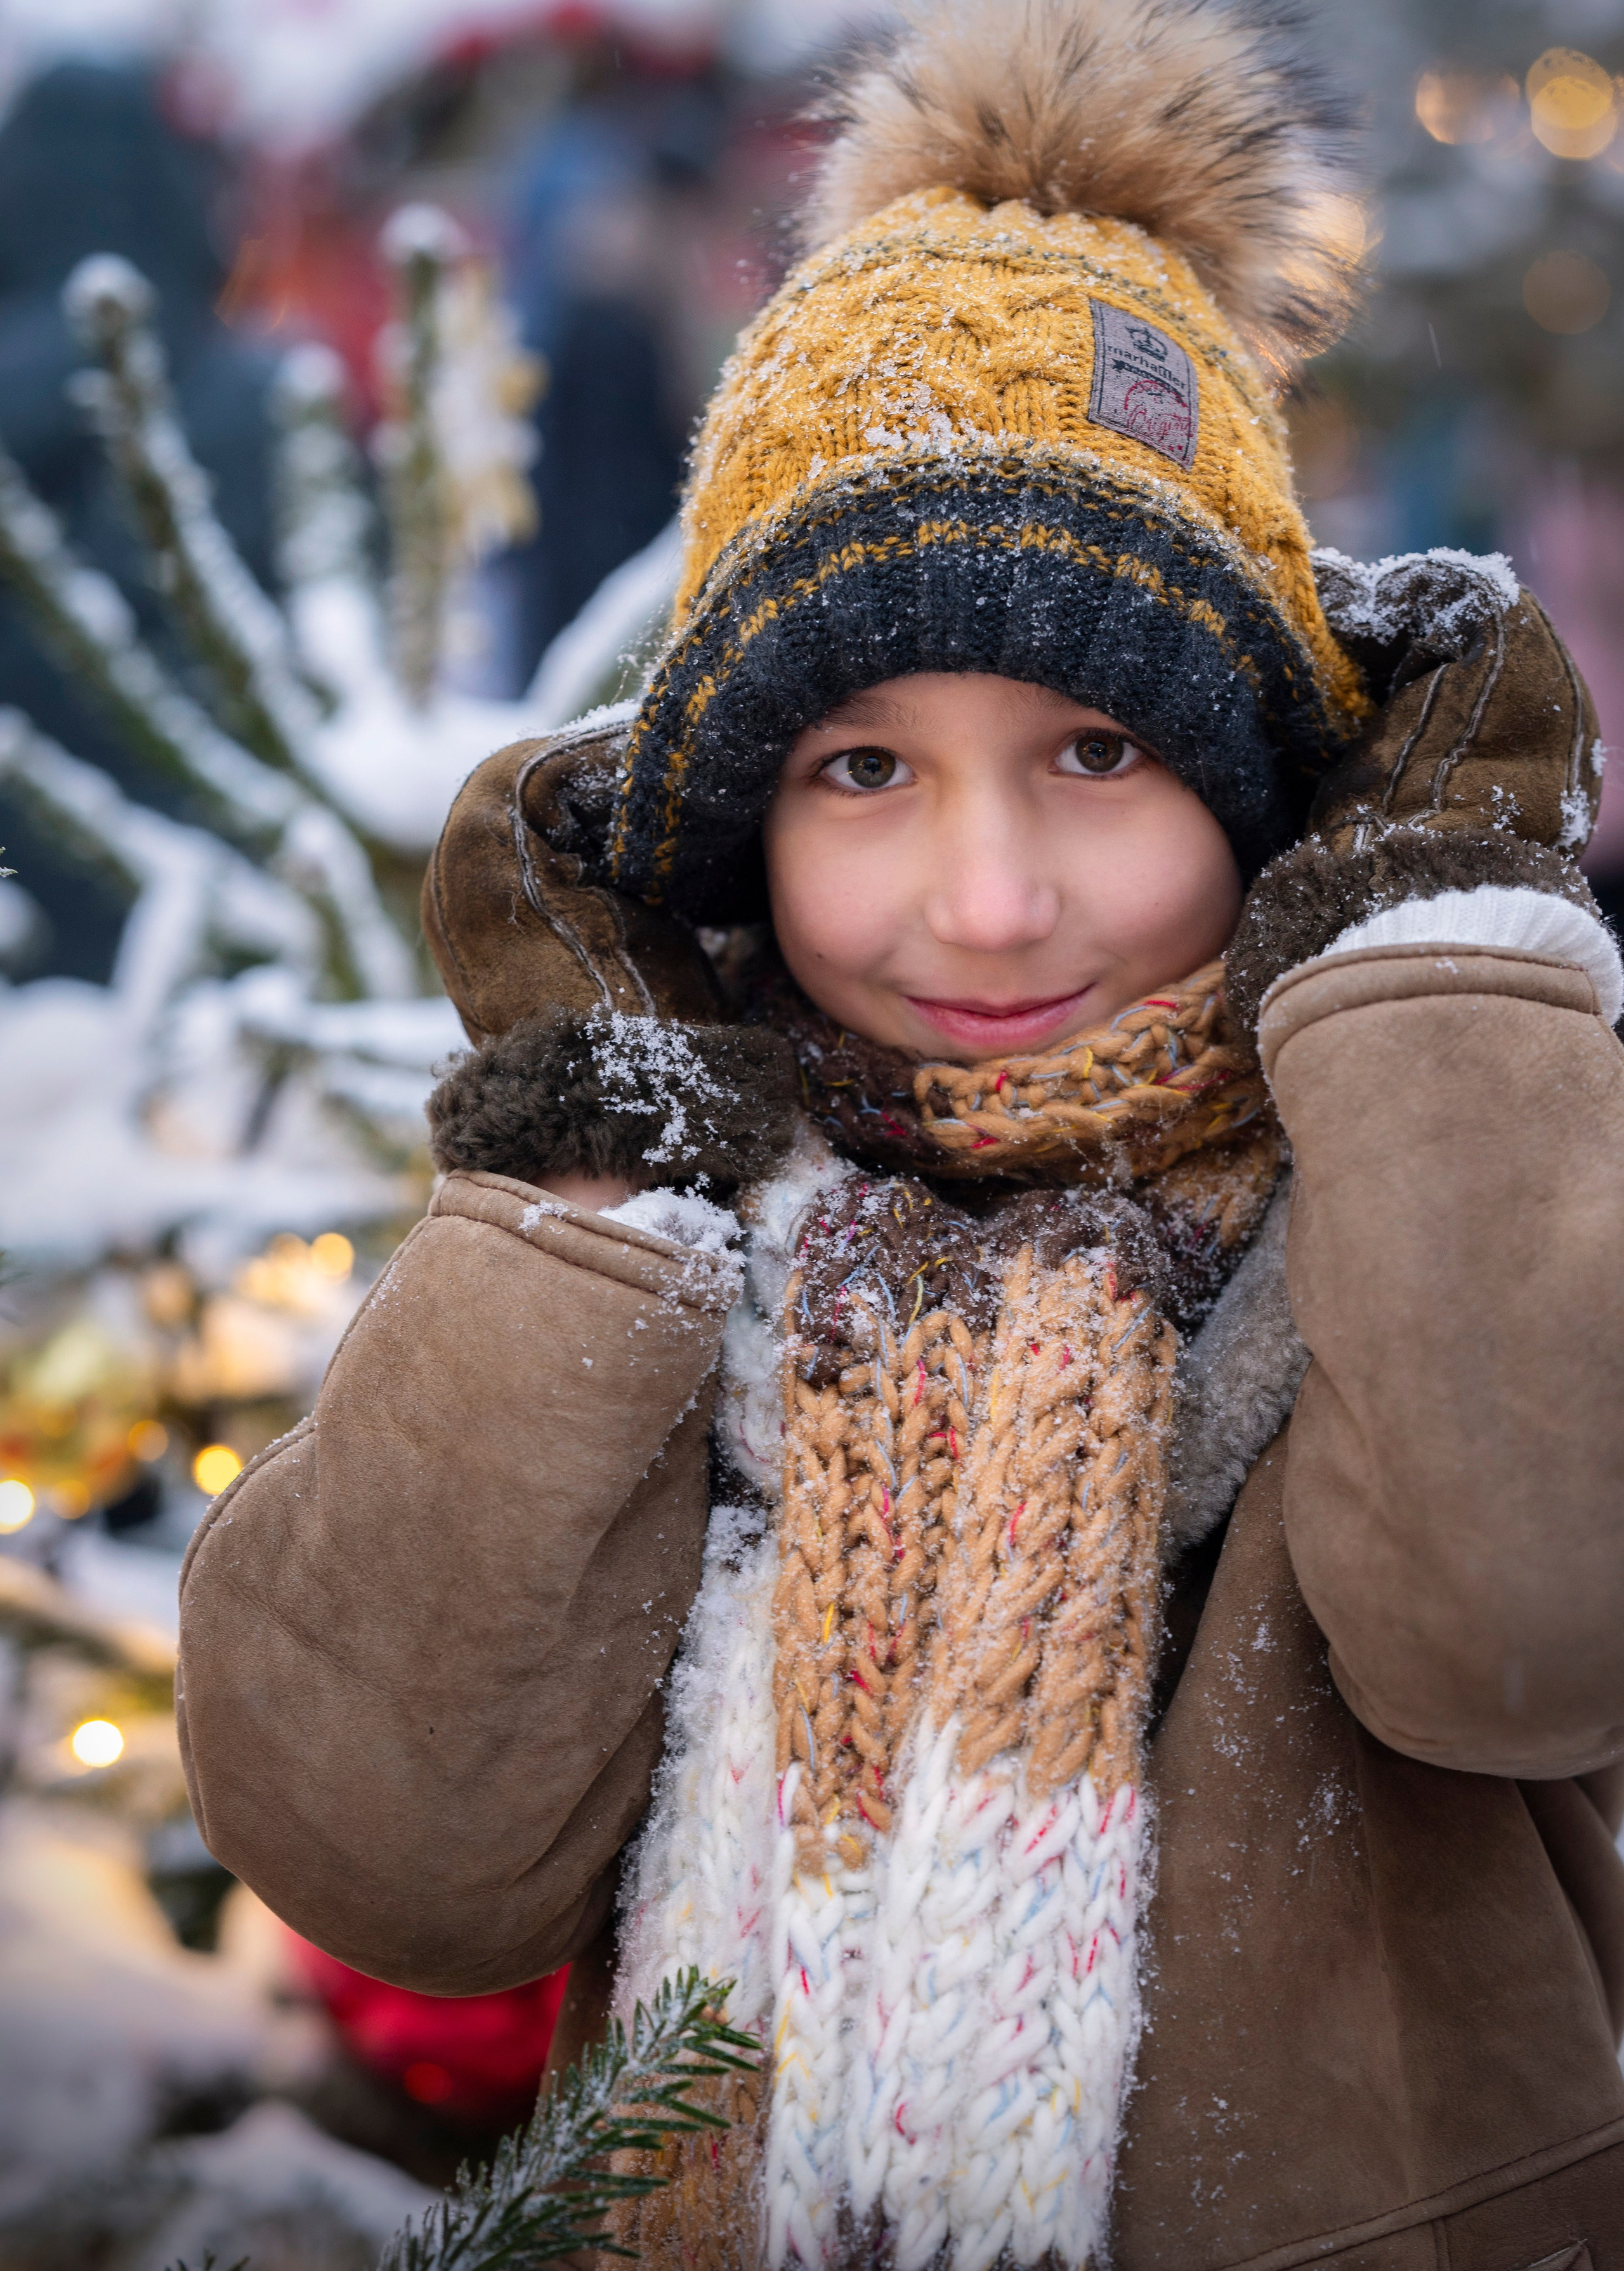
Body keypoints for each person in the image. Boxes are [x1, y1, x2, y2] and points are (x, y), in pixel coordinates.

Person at [174, 1, 1624, 2261]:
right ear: (737, 832)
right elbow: (392, 1852)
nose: (985, 900)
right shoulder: (667, 1232)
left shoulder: (1445, 1164)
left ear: (1265, 790)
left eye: (1097, 754)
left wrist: (1434, 951)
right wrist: (587, 1162)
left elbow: (1539, 1618)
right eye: (863, 768)